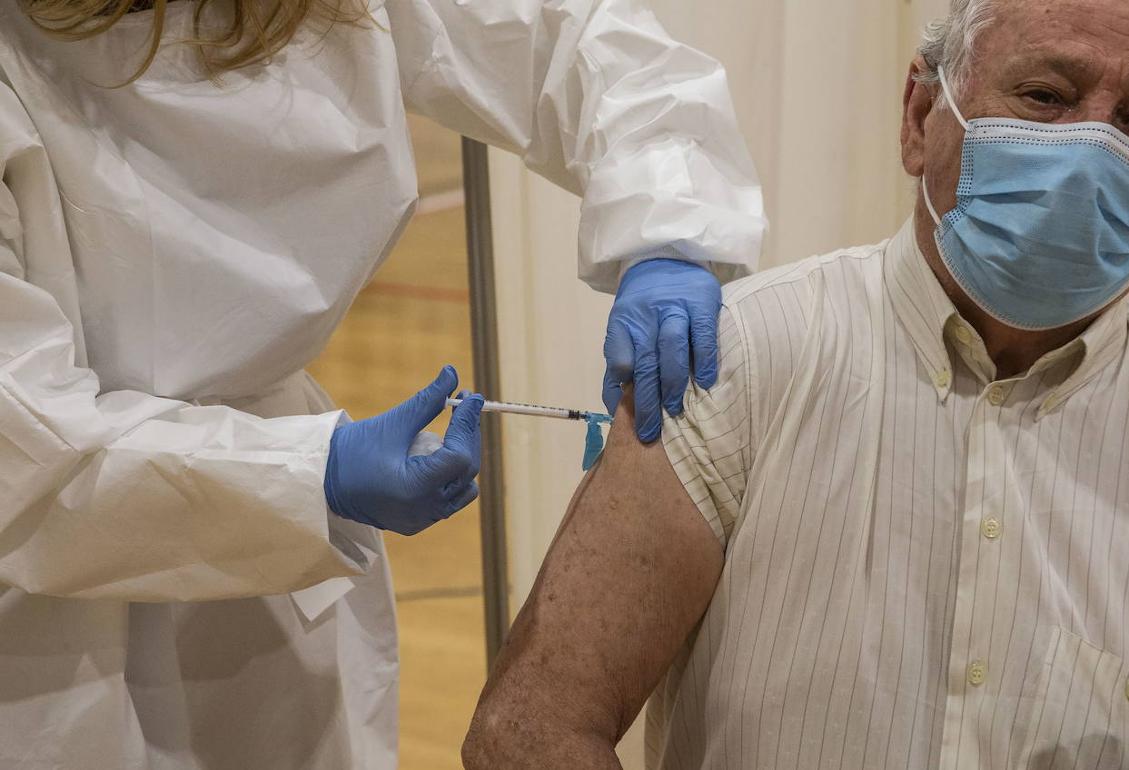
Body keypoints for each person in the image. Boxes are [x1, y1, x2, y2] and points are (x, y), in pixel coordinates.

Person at [462, 0, 1129, 768]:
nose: (1089, 149)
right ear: (919, 117)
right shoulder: (737, 359)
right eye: (1045, 96)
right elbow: (528, 732)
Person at [0, 0, 765, 766]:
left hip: (276, 576)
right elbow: (27, 451)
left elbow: (576, 37)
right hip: (49, 617)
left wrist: (670, 231)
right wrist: (310, 476)